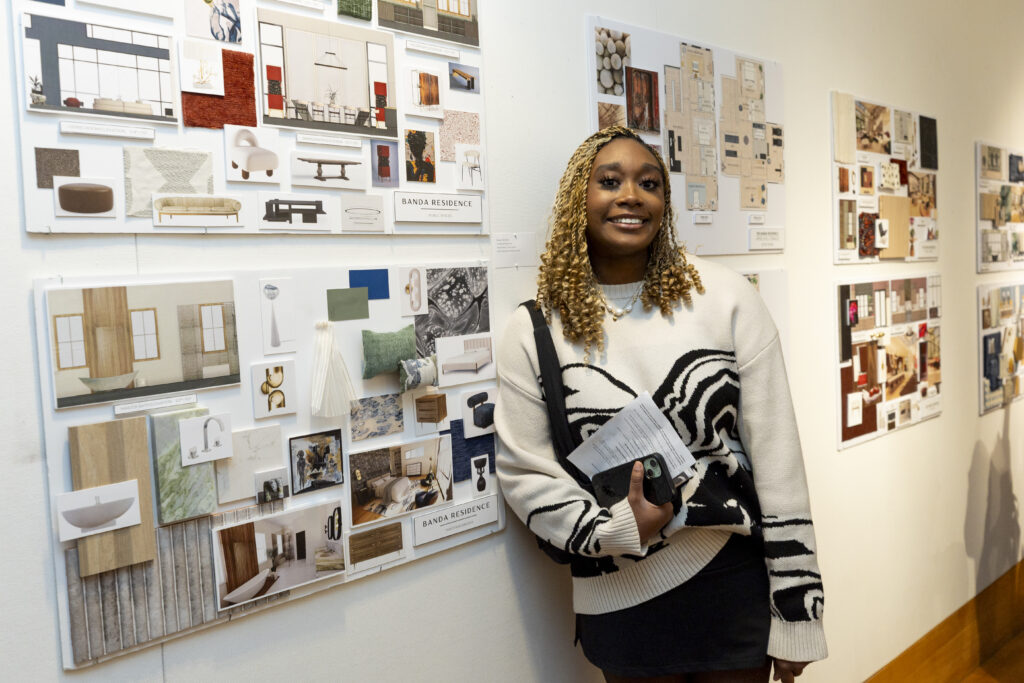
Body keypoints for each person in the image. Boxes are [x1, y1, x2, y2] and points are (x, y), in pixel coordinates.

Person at [494, 126, 827, 682]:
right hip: (619, 602)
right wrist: (616, 531)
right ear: (579, 196)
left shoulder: (726, 298)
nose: (631, 195)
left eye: (649, 182)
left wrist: (797, 608)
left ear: (664, 205)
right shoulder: (534, 330)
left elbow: (779, 461)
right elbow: (524, 471)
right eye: (610, 181)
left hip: (731, 585)